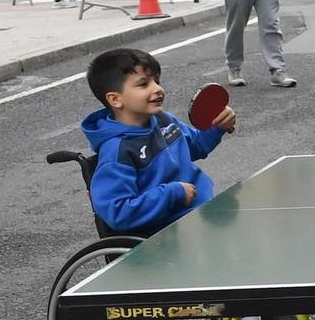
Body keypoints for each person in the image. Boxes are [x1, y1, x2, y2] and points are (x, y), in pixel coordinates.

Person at [81, 47, 237, 238]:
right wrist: (173, 194)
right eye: (144, 84)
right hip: (168, 233)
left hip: (203, 212)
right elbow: (118, 211)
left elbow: (196, 145)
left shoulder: (163, 120)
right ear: (115, 99)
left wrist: (217, 127)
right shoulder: (117, 150)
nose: (157, 89)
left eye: (157, 81)